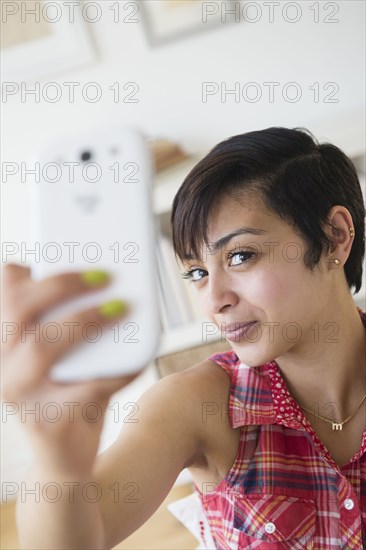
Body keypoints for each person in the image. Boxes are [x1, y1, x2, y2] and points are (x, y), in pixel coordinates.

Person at [2, 127, 365, 549]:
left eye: (241, 255)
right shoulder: (197, 405)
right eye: (197, 272)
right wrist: (59, 459)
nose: (214, 300)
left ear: (335, 236)